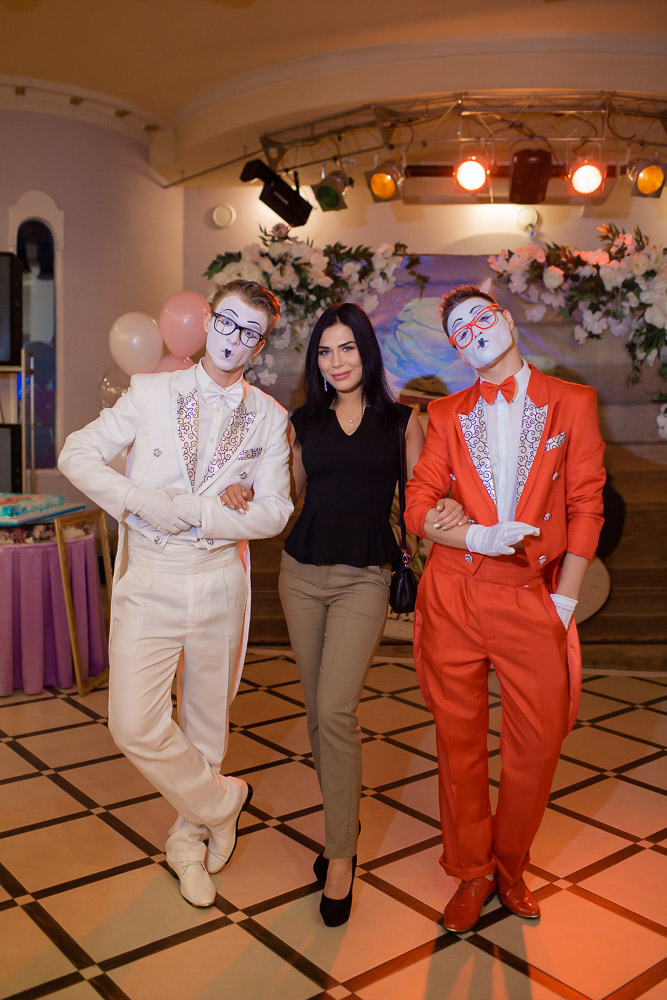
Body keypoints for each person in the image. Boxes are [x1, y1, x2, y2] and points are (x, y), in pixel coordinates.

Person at [58, 279, 293, 908]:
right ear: (210, 321)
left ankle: (189, 842)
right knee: (132, 722)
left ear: (260, 344)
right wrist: (138, 502)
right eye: (227, 322)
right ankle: (221, 803)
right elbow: (77, 453)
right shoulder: (150, 391)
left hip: (218, 578)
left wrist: (201, 514)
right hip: (151, 576)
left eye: (250, 332)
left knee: (206, 723)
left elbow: (275, 511)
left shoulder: (270, 417)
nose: (233, 339)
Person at [405, 285, 606, 932]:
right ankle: (471, 871)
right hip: (454, 594)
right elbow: (417, 507)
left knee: (537, 745)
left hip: (531, 595)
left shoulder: (572, 402)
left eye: (480, 318)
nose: (474, 332)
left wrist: (564, 599)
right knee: (458, 744)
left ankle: (510, 866)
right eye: (459, 331)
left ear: (508, 320)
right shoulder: (444, 414)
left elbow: (586, 505)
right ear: (457, 352)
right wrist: (469, 534)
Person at [277, 302, 465, 927]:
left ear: (366, 350)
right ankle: (342, 826)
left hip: (364, 575)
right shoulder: (304, 421)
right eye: (325, 352)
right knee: (316, 712)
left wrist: (448, 511)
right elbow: (289, 496)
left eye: (347, 348)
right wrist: (245, 488)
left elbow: (420, 498)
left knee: (336, 709)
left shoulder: (402, 421)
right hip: (300, 575)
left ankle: (341, 856)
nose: (336, 362)